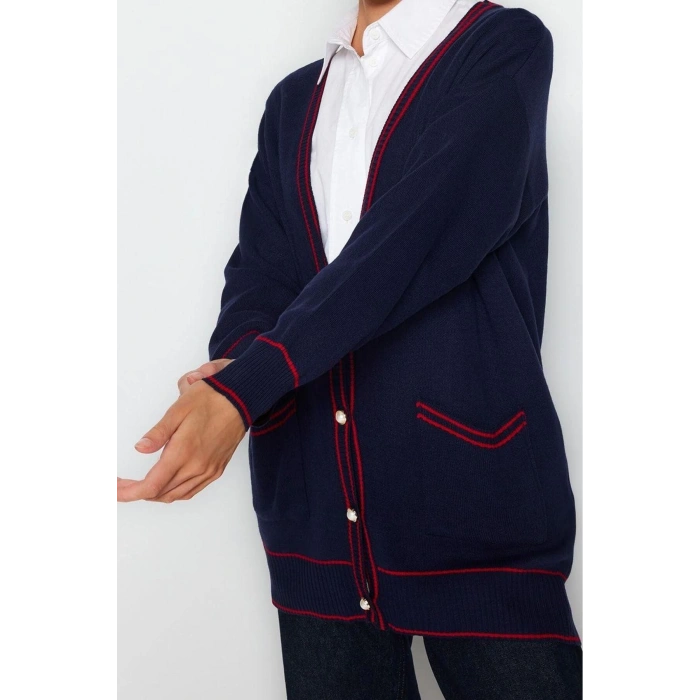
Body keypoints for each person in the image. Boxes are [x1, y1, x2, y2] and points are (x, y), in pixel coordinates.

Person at [117, 0, 582, 697]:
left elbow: (412, 240)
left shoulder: (501, 48)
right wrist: (234, 371)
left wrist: (250, 388)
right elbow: (259, 279)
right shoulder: (293, 103)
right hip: (316, 525)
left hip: (475, 512)